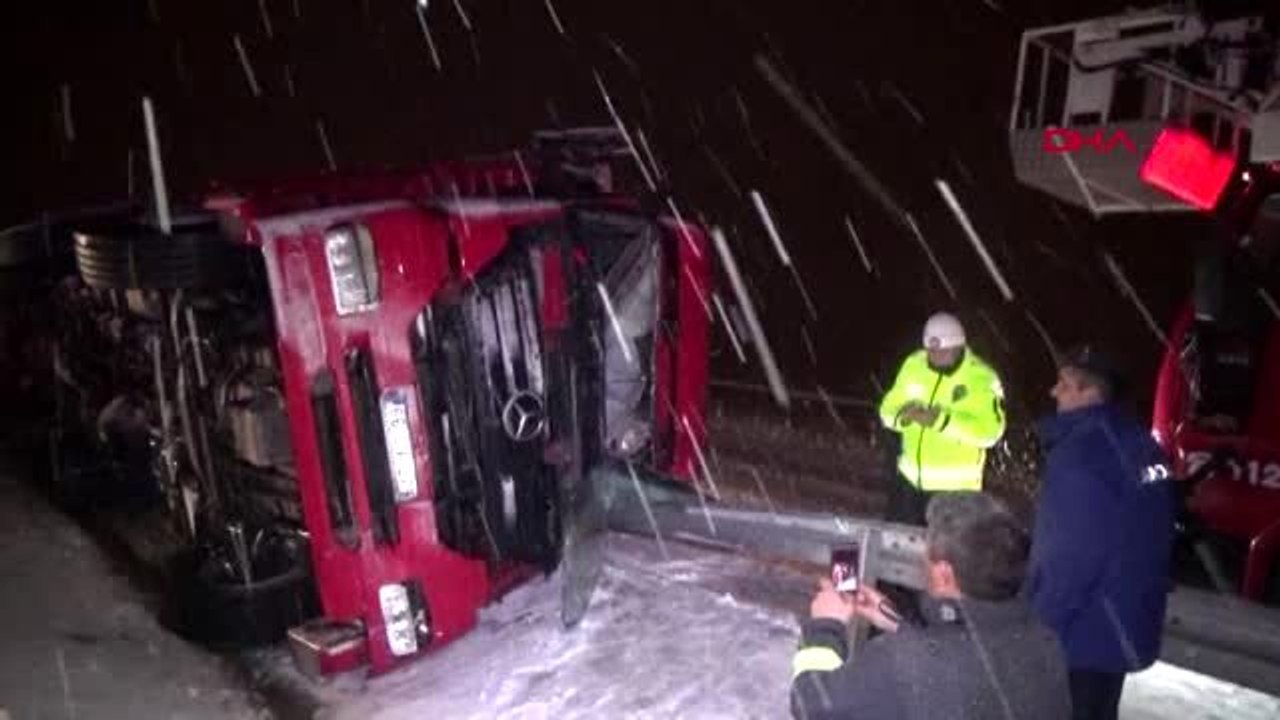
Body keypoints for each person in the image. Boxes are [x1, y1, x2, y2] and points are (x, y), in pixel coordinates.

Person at [790, 492, 1071, 720]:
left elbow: (810, 703)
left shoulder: (901, 662)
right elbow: (964, 657)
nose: (923, 560)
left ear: (944, 574)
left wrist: (824, 628)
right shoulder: (1044, 641)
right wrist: (898, 623)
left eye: (926, 554)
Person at [1027, 345, 1177, 720]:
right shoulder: (1142, 446)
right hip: (1125, 619)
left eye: (1064, 384)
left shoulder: (1080, 457)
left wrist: (1037, 628)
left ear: (1089, 393)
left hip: (1083, 632)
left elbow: (1070, 560)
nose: (1052, 391)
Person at [878, 312, 1007, 526]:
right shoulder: (914, 365)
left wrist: (942, 422)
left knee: (948, 557)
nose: (933, 357)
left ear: (958, 346)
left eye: (941, 351)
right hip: (908, 486)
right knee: (896, 550)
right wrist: (902, 417)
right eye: (930, 350)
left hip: (956, 496)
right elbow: (886, 410)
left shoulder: (982, 378)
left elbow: (990, 433)